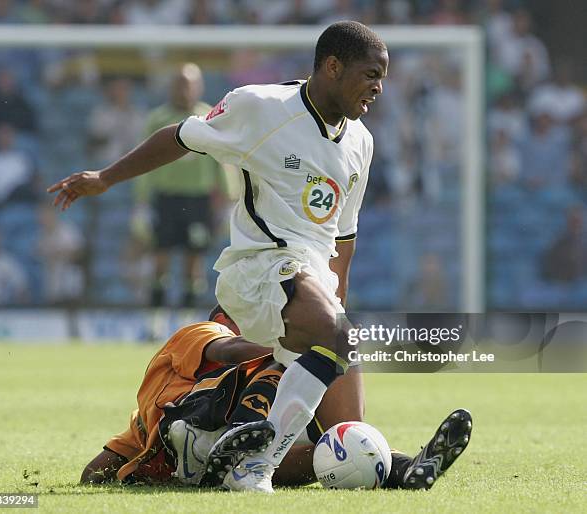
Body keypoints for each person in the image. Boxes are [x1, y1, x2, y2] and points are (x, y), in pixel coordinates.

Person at [49, 21, 471, 493]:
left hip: (311, 285)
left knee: (347, 435)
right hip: (259, 269)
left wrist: (336, 323)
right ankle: (257, 466)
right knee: (332, 342)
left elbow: (343, 239)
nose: (378, 88)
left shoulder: (361, 143)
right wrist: (106, 178)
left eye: (384, 78)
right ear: (332, 66)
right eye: (371, 74)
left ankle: (392, 468)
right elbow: (181, 136)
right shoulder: (262, 107)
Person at [81, 307, 472, 490]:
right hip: (198, 419)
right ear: (226, 316)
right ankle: (228, 445)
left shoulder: (139, 425)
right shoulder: (196, 331)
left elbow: (99, 467)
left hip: (258, 437)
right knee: (276, 365)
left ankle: (406, 468)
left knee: (334, 442)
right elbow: (231, 350)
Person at [133, 63, 229, 307]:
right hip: (166, 199)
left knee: (193, 262)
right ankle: (155, 323)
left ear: (199, 87)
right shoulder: (157, 119)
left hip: (198, 200)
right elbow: (142, 161)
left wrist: (228, 199)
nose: (184, 90)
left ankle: (187, 322)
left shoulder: (209, 116)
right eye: (179, 84)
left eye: (189, 84)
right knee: (160, 260)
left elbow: (222, 160)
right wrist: (141, 203)